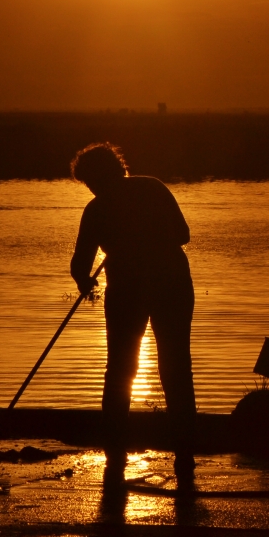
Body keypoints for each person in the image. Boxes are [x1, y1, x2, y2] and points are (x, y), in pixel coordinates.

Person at [70, 142, 197, 491]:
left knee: (121, 368)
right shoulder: (152, 187)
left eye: (91, 182)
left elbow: (80, 265)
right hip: (172, 283)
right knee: (175, 365)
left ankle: (115, 450)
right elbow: (182, 235)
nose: (92, 189)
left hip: (130, 291)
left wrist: (85, 283)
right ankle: (185, 451)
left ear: (103, 174)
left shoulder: (97, 210)